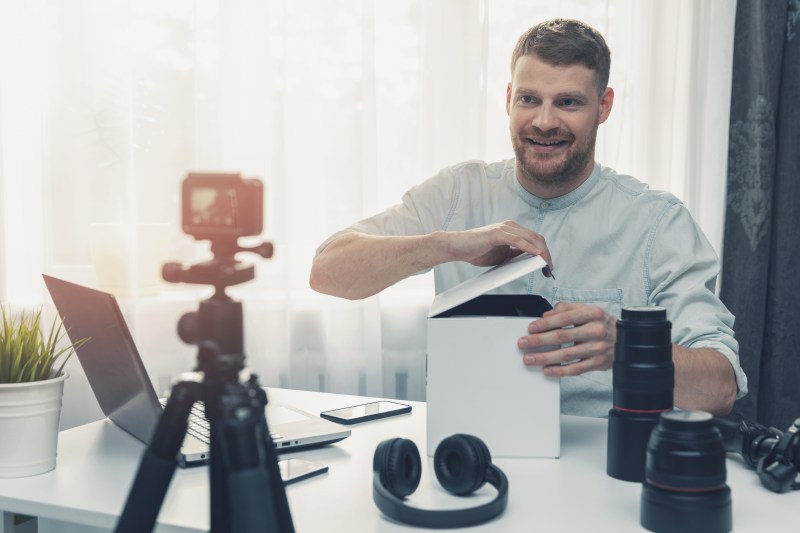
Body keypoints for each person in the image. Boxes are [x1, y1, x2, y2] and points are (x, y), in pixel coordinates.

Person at [309, 18, 747, 417]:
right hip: (471, 458)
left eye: (569, 102)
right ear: (507, 99)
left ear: (604, 106)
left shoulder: (658, 223)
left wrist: (626, 345)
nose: (544, 121)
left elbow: (719, 389)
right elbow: (326, 272)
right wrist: (446, 245)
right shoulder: (458, 192)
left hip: (600, 475)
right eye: (529, 99)